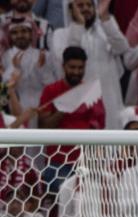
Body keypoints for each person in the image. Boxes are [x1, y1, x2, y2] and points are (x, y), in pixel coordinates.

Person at [51, 0, 129, 129]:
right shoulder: (60, 35)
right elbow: (69, 61)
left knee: (113, 144)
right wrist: (78, 25)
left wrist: (106, 19)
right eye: (80, 5)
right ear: (70, 9)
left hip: (110, 101)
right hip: (81, 105)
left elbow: (122, 47)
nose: (86, 9)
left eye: (89, 5)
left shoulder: (104, 31)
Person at [38, 46, 105, 193]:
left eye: (80, 68)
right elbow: (43, 128)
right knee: (62, 205)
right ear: (63, 66)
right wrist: (64, 107)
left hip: (85, 163)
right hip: (57, 162)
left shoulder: (91, 90)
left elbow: (99, 128)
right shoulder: (50, 91)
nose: (76, 72)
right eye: (72, 67)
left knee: (86, 207)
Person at [1, 17, 59, 114]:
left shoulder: (44, 55)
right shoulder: (5, 56)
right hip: (15, 108)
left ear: (31, 34)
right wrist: (15, 69)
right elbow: (5, 88)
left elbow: (51, 86)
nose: (20, 35)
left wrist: (41, 69)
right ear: (10, 36)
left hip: (41, 107)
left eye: (24, 31)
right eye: (15, 33)